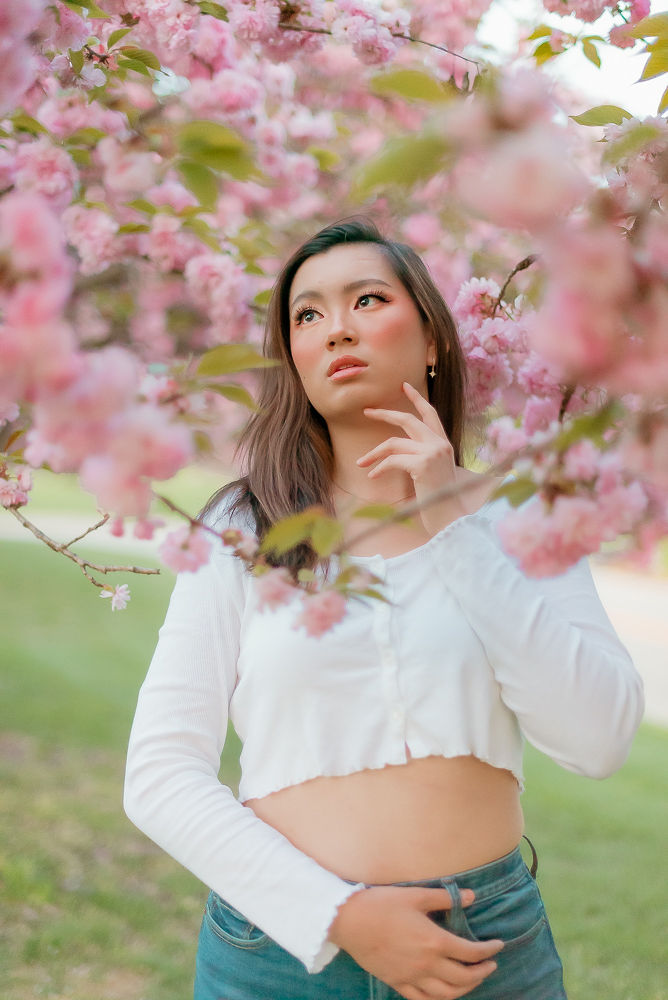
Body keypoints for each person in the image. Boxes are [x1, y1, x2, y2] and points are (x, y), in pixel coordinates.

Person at [124, 217, 644, 1000]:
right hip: (278, 956)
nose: (336, 330)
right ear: (294, 356)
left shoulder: (521, 516)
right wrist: (338, 914)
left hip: (486, 951)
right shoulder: (242, 525)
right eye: (308, 315)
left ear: (433, 338)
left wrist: (452, 518)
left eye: (367, 300)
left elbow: (597, 740)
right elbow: (159, 773)